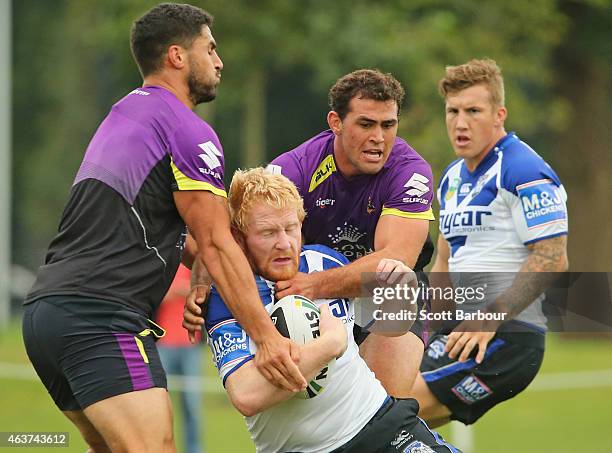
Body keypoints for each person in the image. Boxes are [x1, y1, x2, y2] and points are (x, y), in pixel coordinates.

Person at [21, 4, 304, 452]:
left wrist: (202, 277)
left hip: (47, 316)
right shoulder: (186, 129)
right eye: (209, 49)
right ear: (177, 56)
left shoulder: (126, 115)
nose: (219, 61)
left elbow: (171, 228)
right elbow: (215, 241)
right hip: (102, 316)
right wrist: (266, 338)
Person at [185, 69, 436, 397]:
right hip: (314, 297)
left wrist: (314, 284)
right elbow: (234, 232)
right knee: (312, 412)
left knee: (382, 411)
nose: (379, 137)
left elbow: (394, 262)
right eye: (365, 124)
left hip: (383, 297)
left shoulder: (410, 171)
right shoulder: (294, 169)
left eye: (388, 125)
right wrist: (202, 284)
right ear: (336, 122)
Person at [206, 167, 460, 453]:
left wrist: (398, 288)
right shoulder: (227, 298)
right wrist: (330, 344)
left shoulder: (324, 262)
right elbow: (246, 395)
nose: (284, 243)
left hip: (381, 427)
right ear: (239, 238)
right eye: (267, 233)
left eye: (291, 228)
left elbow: (386, 319)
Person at [410, 58, 569, 427]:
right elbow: (444, 264)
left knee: (388, 411)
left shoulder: (524, 169)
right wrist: (432, 329)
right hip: (461, 331)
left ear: (499, 114)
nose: (460, 123)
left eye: (473, 111)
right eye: (452, 111)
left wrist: (488, 319)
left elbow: (552, 257)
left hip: (508, 337)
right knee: (384, 423)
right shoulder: (450, 178)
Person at [156, 264, 203, 453]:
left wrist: (179, 290)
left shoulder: (194, 265)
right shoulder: (164, 264)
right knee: (157, 406)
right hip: (163, 343)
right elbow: (157, 296)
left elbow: (201, 294)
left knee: (192, 407)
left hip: (190, 345)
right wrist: (182, 290)